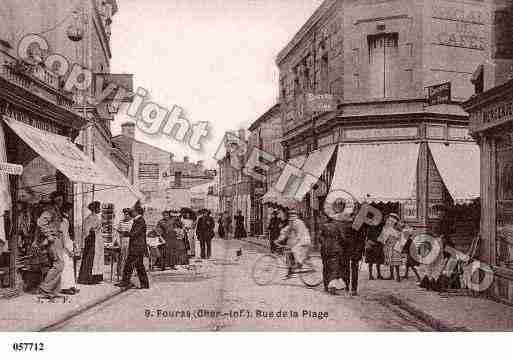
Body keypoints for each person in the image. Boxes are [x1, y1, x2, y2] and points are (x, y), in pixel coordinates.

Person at [37, 191, 65, 298]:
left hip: (58, 239)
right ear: (54, 200)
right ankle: (45, 288)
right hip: (53, 240)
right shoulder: (49, 211)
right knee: (59, 264)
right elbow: (41, 223)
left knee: (56, 264)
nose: (60, 202)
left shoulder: (56, 210)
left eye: (61, 200)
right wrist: (49, 236)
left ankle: (53, 290)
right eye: (58, 200)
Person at [116, 203, 149, 289]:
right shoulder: (138, 220)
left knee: (129, 265)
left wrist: (124, 233)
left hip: (136, 247)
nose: (131, 212)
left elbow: (134, 233)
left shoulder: (140, 221)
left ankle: (125, 282)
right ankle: (144, 284)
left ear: (137, 212)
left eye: (133, 211)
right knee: (139, 266)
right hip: (137, 247)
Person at [276, 209, 311, 276]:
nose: (291, 217)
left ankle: (299, 263)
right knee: (288, 253)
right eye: (290, 215)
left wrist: (293, 243)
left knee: (294, 249)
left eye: (293, 215)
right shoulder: (291, 223)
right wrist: (278, 239)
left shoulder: (299, 223)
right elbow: (285, 231)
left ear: (296, 216)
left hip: (304, 240)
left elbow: (299, 235)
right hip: (296, 240)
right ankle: (290, 270)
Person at [319, 211, 346, 295]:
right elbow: (342, 238)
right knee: (334, 268)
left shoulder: (323, 226)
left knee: (326, 267)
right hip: (335, 249)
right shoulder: (337, 226)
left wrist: (324, 243)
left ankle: (326, 286)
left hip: (325, 250)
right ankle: (333, 288)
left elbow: (319, 238)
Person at [78, 201, 103, 285]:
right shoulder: (90, 218)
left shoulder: (95, 217)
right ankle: (86, 278)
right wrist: (95, 229)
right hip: (91, 240)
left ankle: (95, 277)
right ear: (95, 209)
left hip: (96, 240)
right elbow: (87, 230)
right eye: (98, 208)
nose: (100, 209)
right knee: (90, 258)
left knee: (95, 259)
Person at [60, 202, 79, 295]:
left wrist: (73, 244)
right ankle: (64, 287)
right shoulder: (63, 221)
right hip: (65, 246)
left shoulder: (66, 219)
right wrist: (68, 249)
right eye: (70, 209)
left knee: (70, 266)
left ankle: (71, 285)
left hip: (68, 244)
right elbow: (64, 236)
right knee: (66, 266)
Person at [379, 213, 403, 282]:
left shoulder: (395, 227)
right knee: (391, 260)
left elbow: (397, 235)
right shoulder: (390, 227)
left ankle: (397, 276)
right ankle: (393, 275)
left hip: (394, 244)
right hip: (391, 244)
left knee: (395, 260)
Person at [115, 208, 133, 278]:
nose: (126, 216)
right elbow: (118, 232)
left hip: (129, 240)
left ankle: (127, 273)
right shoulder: (121, 222)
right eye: (125, 214)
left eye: (127, 214)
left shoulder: (132, 222)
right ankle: (120, 272)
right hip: (122, 241)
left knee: (127, 257)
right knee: (121, 257)